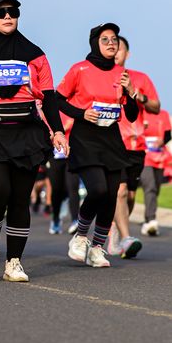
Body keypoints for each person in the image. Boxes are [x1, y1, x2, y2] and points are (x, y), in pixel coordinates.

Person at [0, 0, 69, 283]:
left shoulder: (35, 55)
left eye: (13, 11)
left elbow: (48, 97)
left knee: (20, 198)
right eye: (0, 12)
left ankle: (14, 262)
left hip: (27, 133)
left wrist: (58, 130)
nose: (8, 16)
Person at [56, 23, 138, 267]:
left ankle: (97, 248)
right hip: (85, 137)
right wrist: (81, 114)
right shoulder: (80, 69)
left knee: (111, 195)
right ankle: (80, 236)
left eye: (114, 39)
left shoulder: (121, 73)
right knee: (98, 190)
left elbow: (132, 115)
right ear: (95, 43)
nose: (111, 43)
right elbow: (57, 99)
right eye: (105, 39)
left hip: (111, 138)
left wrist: (131, 92)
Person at [108, 36, 160, 258]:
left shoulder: (141, 78)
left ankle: (117, 228)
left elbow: (156, 106)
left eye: (119, 48)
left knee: (129, 195)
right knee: (119, 191)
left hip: (136, 144)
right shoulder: (101, 77)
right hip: (112, 142)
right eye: (111, 47)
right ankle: (122, 237)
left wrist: (137, 95)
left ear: (127, 54)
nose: (115, 51)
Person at [139, 108, 172, 236]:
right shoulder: (139, 112)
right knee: (150, 186)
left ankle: (147, 220)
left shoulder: (163, 114)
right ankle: (151, 219)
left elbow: (168, 135)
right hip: (144, 157)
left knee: (156, 189)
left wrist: (162, 141)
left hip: (159, 157)